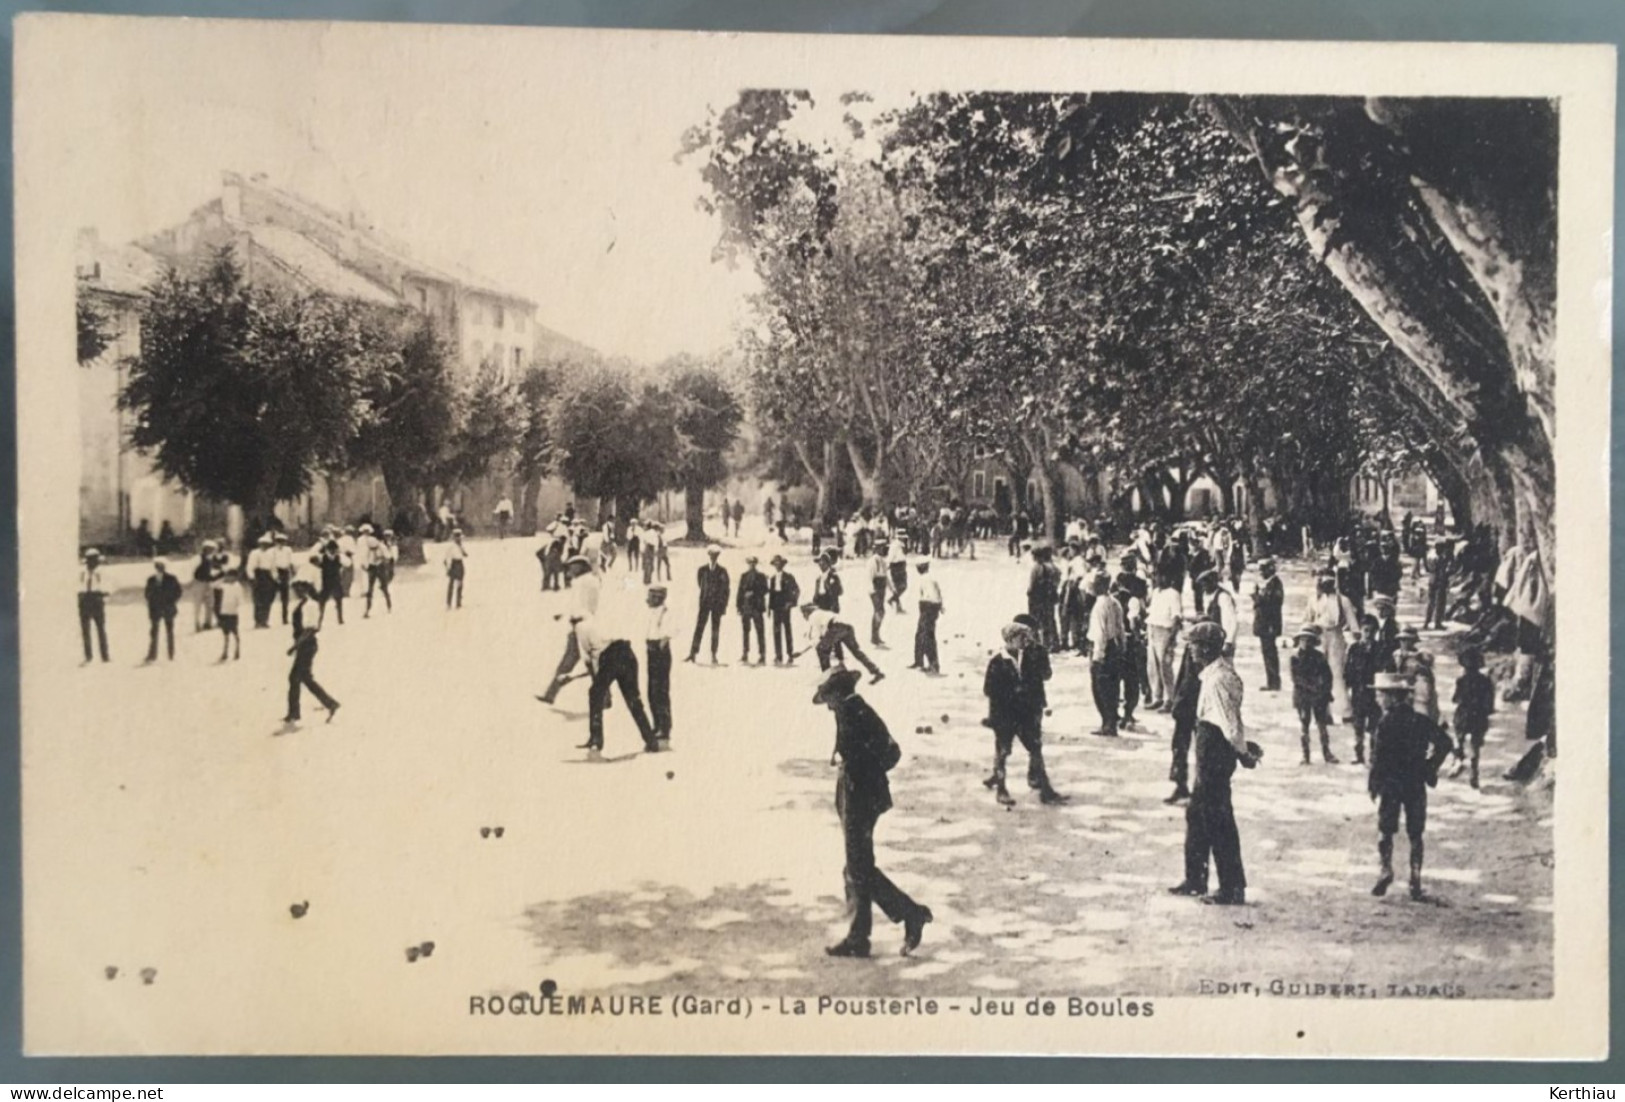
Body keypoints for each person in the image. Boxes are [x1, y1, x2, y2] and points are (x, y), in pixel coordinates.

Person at [816, 668, 932, 959]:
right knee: (856, 867)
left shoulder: (856, 711)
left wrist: (865, 775)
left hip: (861, 798)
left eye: (829, 697)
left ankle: (905, 916)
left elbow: (891, 751)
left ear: (839, 694)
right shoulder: (850, 710)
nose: (827, 704)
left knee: (857, 868)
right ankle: (863, 934)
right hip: (855, 794)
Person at [1168, 621, 1259, 906]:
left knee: (1218, 820)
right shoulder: (1216, 674)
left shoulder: (1218, 679)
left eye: (1194, 645)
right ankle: (1196, 878)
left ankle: (1231, 887)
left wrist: (1243, 753)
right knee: (1197, 815)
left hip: (1215, 753)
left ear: (1205, 649)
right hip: (1210, 749)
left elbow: (1229, 724)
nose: (1191, 650)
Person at [1368, 671, 1454, 900]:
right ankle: (1415, 879)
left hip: (1391, 784)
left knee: (1385, 830)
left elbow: (1378, 757)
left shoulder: (1385, 723)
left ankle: (1385, 869)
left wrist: (1373, 783)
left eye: (1381, 695)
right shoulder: (1420, 720)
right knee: (1416, 833)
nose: (1378, 699)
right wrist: (1430, 766)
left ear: (1393, 697)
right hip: (1415, 782)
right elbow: (1445, 742)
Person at [982, 621, 1067, 806]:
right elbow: (989, 690)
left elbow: (1037, 678)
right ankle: (1001, 789)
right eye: (1021, 637)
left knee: (1035, 749)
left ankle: (1046, 790)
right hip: (1004, 715)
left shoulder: (1026, 657)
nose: (1025, 641)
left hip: (1024, 714)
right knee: (1003, 752)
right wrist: (1012, 694)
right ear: (1011, 640)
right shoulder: (997, 662)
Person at [579, 589, 662, 759]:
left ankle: (596, 740)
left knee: (594, 694)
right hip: (628, 654)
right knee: (634, 701)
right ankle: (651, 741)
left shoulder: (581, 628)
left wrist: (600, 686)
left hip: (609, 656)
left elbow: (592, 659)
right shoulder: (596, 621)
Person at [538, 556, 600, 704]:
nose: (569, 570)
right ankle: (605, 697)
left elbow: (581, 604)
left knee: (572, 661)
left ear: (580, 567)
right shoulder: (589, 580)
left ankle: (550, 694)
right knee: (590, 663)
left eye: (572, 567)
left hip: (582, 626)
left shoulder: (583, 582)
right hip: (584, 624)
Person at [283, 580, 339, 727]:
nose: (296, 592)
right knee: (301, 678)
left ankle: (328, 704)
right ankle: (296, 711)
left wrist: (295, 646)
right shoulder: (303, 604)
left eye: (298, 589)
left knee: (299, 677)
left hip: (307, 645)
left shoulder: (310, 605)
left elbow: (311, 629)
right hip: (304, 645)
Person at [1309, 572, 1361, 722]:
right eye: (1323, 582)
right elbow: (1308, 619)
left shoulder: (1343, 600)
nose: (1326, 585)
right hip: (1319, 636)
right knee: (1319, 674)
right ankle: (1323, 712)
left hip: (1336, 636)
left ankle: (1345, 711)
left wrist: (1356, 637)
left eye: (1329, 582)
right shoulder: (1315, 600)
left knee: (1337, 673)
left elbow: (1353, 622)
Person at [799, 603, 884, 684]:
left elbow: (817, 637)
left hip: (837, 627)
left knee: (821, 649)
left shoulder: (813, 616)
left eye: (803, 614)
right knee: (856, 651)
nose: (804, 617)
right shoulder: (823, 613)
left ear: (807, 612)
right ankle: (876, 671)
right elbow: (824, 635)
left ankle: (827, 679)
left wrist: (802, 652)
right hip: (847, 626)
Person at [1290, 626, 1339, 764]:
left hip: (1319, 696)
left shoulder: (1320, 657)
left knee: (1322, 725)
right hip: (1303, 696)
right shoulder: (1295, 658)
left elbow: (1328, 676)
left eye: (1308, 639)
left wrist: (1324, 690)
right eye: (1302, 639)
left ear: (1313, 641)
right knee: (1304, 726)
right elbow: (1297, 679)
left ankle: (1327, 752)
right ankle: (1305, 755)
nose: (1305, 642)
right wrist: (1313, 688)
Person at [1085, 572, 1125, 738]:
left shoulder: (1100, 606)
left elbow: (1100, 633)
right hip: (1114, 647)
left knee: (1100, 687)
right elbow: (1120, 627)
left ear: (1100, 585)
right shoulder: (1114, 602)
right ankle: (1112, 718)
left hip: (1102, 648)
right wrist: (1122, 645)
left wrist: (1097, 657)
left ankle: (1108, 724)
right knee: (1113, 686)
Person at [1450, 647, 1495, 789]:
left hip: (1464, 715)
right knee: (1476, 745)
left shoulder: (1461, 680)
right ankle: (1474, 772)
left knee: (1459, 737)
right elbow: (1490, 703)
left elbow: (1455, 699)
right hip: (1479, 716)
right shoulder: (1486, 681)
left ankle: (1459, 757)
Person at [1344, 615, 1383, 766]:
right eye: (1366, 630)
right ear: (1361, 630)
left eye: (1372, 631)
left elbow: (1382, 669)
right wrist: (1348, 688)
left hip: (1374, 694)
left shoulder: (1380, 649)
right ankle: (1359, 755)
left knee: (1374, 727)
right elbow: (1348, 670)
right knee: (1358, 726)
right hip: (1358, 693)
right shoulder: (1354, 649)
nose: (1368, 634)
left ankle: (1374, 756)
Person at [686, 544, 731, 664]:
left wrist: (723, 605)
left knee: (715, 629)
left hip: (717, 605)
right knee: (699, 627)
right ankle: (693, 653)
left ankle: (713, 654)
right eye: (711, 555)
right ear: (708, 555)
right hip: (705, 603)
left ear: (718, 556)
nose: (713, 557)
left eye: (715, 555)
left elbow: (726, 589)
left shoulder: (722, 571)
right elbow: (700, 584)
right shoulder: (702, 570)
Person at [1145, 570, 1182, 711]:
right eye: (1156, 576)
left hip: (1165, 631)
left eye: (1161, 575)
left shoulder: (1173, 593)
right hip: (1152, 628)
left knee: (1165, 666)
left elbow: (1176, 617)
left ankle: (1169, 699)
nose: (1158, 578)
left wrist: (1172, 638)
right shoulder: (1155, 592)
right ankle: (1157, 697)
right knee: (1152, 666)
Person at [645, 585, 673, 742]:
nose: (648, 600)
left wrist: (661, 644)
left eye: (651, 597)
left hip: (660, 652)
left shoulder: (665, 613)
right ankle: (656, 724)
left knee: (660, 691)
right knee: (652, 690)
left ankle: (664, 727)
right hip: (650, 649)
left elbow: (669, 632)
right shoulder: (652, 612)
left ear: (658, 598)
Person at [1250, 557, 1284, 692]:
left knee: (1270, 653)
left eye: (1263, 570)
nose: (1261, 573)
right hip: (1264, 625)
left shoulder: (1275, 584)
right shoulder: (1269, 584)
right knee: (1267, 653)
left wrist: (1256, 596)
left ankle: (1274, 681)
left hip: (1269, 625)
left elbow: (1271, 604)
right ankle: (1271, 680)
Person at [1393, 626, 1439, 722]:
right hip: (1399, 690)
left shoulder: (1421, 656)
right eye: (1402, 640)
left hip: (1416, 691)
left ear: (1413, 641)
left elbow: (1426, 677)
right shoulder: (1396, 654)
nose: (1404, 643)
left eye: (1407, 640)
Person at [142, 559, 183, 663]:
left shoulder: (171, 578)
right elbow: (147, 593)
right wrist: (152, 602)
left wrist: (171, 601)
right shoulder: (151, 579)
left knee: (169, 631)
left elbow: (178, 592)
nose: (159, 568)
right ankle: (152, 654)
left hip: (168, 607)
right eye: (157, 566)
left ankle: (171, 653)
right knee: (154, 632)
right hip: (155, 608)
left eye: (161, 566)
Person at [1026, 542, 1062, 651]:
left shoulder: (1036, 568)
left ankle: (1037, 645)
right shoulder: (1050, 567)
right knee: (1049, 620)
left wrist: (1029, 593)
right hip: (1048, 598)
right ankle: (1053, 643)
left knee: (1035, 621)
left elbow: (1032, 586)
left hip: (1037, 598)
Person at [909, 558, 942, 674]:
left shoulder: (925, 579)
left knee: (927, 636)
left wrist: (934, 607)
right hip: (929, 607)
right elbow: (938, 593)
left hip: (928, 607)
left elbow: (932, 595)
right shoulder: (930, 578)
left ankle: (933, 664)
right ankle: (919, 661)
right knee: (920, 635)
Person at [767, 554, 801, 665]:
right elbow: (771, 594)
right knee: (776, 631)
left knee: (787, 630)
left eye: (779, 564)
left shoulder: (789, 577)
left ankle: (790, 654)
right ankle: (778, 656)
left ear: (782, 565)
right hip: (776, 607)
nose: (777, 566)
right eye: (775, 564)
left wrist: (791, 602)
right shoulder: (772, 579)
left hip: (785, 606)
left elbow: (796, 590)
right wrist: (769, 608)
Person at [78, 548, 110, 664]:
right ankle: (88, 655)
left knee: (100, 628)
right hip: (85, 599)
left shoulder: (101, 572)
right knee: (85, 629)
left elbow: (108, 586)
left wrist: (103, 594)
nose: (93, 563)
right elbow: (78, 585)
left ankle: (105, 655)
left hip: (96, 598)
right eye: (91, 560)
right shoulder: (82, 572)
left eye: (95, 560)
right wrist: (80, 595)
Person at [736, 555, 769, 665]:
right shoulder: (744, 576)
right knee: (746, 631)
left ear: (756, 564)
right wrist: (739, 606)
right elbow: (740, 592)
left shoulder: (761, 576)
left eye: (753, 563)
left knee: (760, 631)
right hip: (746, 608)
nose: (752, 565)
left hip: (757, 608)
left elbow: (765, 590)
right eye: (750, 563)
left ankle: (762, 655)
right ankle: (745, 653)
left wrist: (754, 593)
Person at [214, 565, 243, 661]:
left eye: (231, 576)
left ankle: (237, 649)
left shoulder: (238, 586)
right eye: (228, 576)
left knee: (235, 632)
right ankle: (225, 652)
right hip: (224, 612)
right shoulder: (224, 585)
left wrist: (236, 606)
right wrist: (222, 578)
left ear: (235, 577)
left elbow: (240, 600)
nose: (229, 578)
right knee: (225, 633)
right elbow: (214, 585)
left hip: (232, 612)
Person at [365, 525, 394, 616]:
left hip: (380, 566)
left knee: (384, 587)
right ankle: (367, 609)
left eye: (374, 548)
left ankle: (389, 606)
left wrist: (382, 559)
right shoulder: (369, 546)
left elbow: (388, 557)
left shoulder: (381, 546)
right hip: (372, 567)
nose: (373, 550)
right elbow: (365, 557)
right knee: (369, 589)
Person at [316, 536, 345, 628]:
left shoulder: (338, 557)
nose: (333, 551)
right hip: (326, 582)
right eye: (331, 549)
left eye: (334, 549)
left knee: (339, 600)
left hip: (336, 581)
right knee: (322, 602)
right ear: (327, 549)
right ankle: (319, 621)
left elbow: (346, 564)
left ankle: (340, 619)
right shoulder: (323, 558)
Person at [191, 540, 219, 633]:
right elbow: (192, 570)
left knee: (210, 603)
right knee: (197, 604)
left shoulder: (210, 559)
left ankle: (208, 622)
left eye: (212, 549)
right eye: (209, 549)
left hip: (208, 583)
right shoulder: (198, 558)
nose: (210, 551)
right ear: (204, 549)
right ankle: (196, 623)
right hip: (199, 582)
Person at [271, 532, 294, 625]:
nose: (281, 543)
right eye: (279, 541)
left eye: (283, 541)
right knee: (271, 595)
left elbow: (290, 561)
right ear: (276, 542)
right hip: (276, 571)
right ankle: (263, 618)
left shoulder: (288, 550)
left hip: (285, 572)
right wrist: (275, 576)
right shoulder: (272, 551)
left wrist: (292, 572)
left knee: (285, 597)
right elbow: (272, 563)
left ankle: (285, 618)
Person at [443, 528, 468, 609]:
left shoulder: (461, 545)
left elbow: (465, 555)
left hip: (460, 563)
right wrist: (448, 568)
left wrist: (462, 548)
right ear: (454, 538)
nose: (460, 539)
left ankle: (458, 602)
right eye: (458, 537)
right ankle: (448, 603)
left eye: (460, 537)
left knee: (460, 583)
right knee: (451, 584)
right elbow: (448, 558)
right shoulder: (451, 547)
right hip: (454, 564)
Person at [886, 537, 909, 613]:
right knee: (901, 586)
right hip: (896, 566)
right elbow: (891, 557)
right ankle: (893, 601)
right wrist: (887, 565)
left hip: (901, 566)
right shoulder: (895, 545)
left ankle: (897, 605)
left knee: (900, 587)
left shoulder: (901, 545)